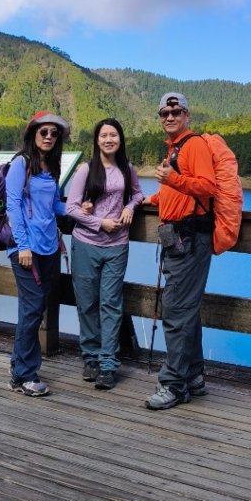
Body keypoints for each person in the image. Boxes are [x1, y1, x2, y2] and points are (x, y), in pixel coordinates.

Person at [143, 92, 216, 410]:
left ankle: (173, 384)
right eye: (164, 113)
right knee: (186, 309)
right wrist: (149, 200)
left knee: (175, 311)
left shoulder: (194, 145)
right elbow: (173, 192)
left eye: (176, 111)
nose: (170, 117)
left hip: (190, 240)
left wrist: (173, 178)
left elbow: (207, 187)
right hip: (178, 239)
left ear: (187, 116)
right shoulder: (173, 149)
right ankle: (194, 376)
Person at [65, 118, 144, 390]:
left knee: (111, 304)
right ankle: (91, 358)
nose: (109, 140)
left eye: (113, 135)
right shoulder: (86, 170)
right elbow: (72, 209)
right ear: (96, 140)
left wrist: (131, 207)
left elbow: (138, 194)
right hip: (86, 243)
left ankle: (108, 364)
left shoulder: (127, 168)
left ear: (120, 139)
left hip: (117, 245)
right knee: (87, 303)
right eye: (103, 136)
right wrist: (99, 222)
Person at [5, 110, 70, 397]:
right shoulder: (21, 163)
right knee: (32, 310)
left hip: (48, 247)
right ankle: (24, 376)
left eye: (54, 133)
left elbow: (55, 205)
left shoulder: (50, 167)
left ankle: (19, 365)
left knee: (34, 309)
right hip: (26, 250)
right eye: (44, 132)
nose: (49, 137)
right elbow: (13, 206)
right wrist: (22, 245)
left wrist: (81, 210)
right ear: (33, 133)